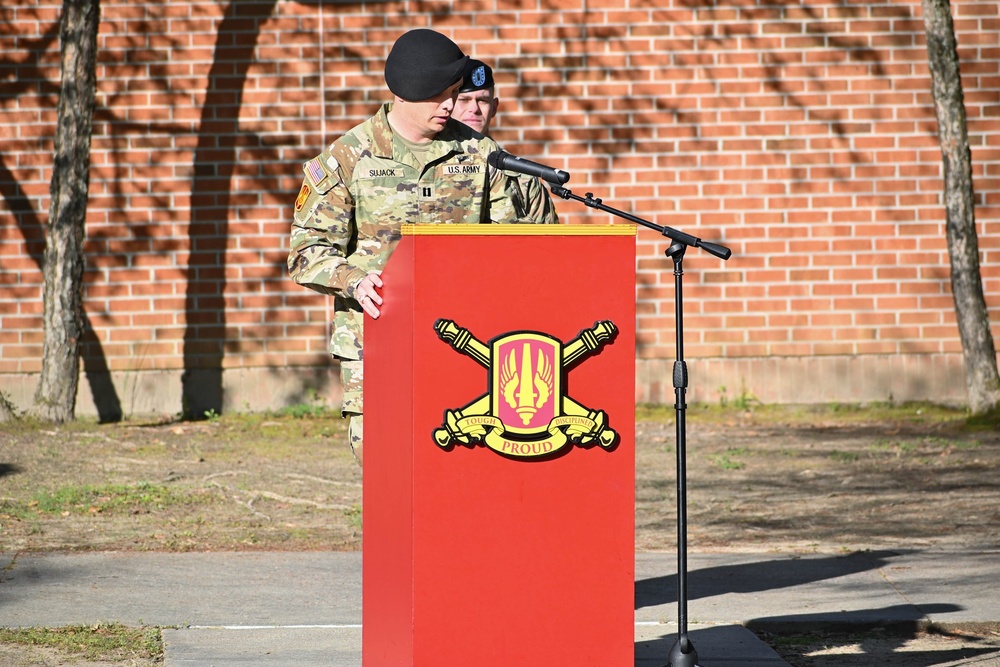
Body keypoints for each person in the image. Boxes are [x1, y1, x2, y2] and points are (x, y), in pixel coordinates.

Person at [288, 30, 557, 467]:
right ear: (410, 91)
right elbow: (306, 252)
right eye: (443, 96)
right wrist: (354, 281)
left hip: (466, 346)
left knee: (463, 471)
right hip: (378, 343)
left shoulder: (481, 154)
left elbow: (521, 246)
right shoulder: (349, 158)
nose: (453, 106)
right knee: (385, 468)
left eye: (455, 94)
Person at [453, 58, 559, 224]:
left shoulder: (522, 177)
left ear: (494, 107)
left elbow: (551, 242)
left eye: (483, 100)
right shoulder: (430, 167)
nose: (474, 108)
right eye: (464, 100)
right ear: (448, 103)